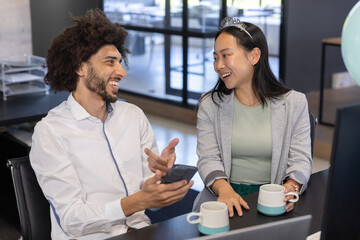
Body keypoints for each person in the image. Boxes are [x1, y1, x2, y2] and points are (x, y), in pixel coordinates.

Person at [29, 9, 193, 240]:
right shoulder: (50, 132)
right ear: (80, 67)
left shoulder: (133, 116)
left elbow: (150, 203)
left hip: (140, 231)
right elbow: (72, 219)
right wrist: (136, 202)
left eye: (121, 62)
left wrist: (159, 180)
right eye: (110, 62)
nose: (122, 72)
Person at [192, 17, 312, 217]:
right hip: (222, 199)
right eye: (215, 57)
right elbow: (208, 159)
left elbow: (300, 159)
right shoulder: (210, 105)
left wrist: (291, 187)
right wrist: (225, 190)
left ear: (254, 56)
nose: (218, 65)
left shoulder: (294, 103)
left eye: (225, 55)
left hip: (273, 199)